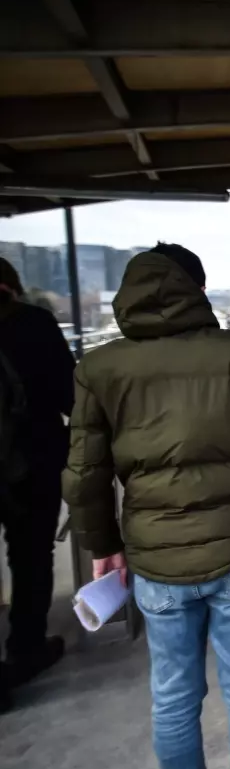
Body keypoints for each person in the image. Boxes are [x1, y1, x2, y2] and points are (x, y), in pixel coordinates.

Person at [63, 244, 230, 769]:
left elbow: (84, 472)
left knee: (173, 696)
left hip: (155, 562)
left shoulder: (99, 367)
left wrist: (104, 546)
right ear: (198, 291)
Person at [0, 257, 75, 700]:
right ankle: (24, 649)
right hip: (32, 462)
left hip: (26, 458)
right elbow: (70, 395)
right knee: (29, 555)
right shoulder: (33, 324)